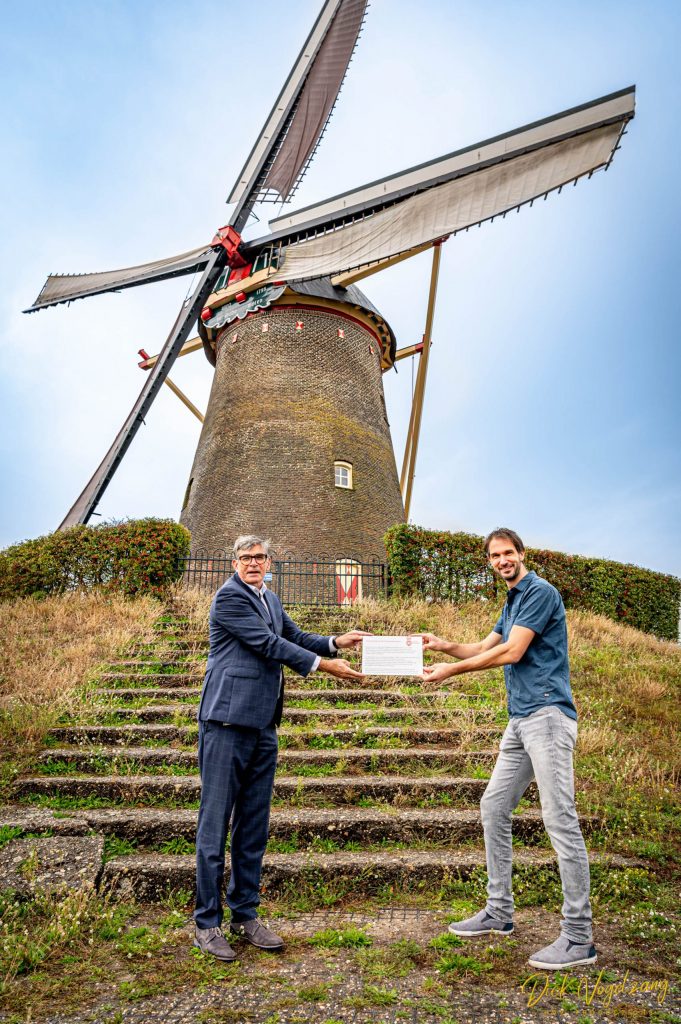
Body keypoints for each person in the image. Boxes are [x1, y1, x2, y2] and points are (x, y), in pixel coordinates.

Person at [421, 527, 595, 971]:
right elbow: (484, 646)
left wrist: (452, 670)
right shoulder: (512, 600)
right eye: (495, 555)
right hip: (520, 722)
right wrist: (444, 645)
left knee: (560, 819)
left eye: (508, 552)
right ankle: (499, 912)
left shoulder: (539, 591)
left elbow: (513, 653)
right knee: (494, 806)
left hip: (548, 717)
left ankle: (579, 937)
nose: (502, 560)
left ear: (521, 554)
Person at [194, 534, 367, 961]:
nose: (253, 563)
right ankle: (206, 922)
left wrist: (335, 642)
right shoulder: (228, 599)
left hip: (263, 724)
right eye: (246, 558)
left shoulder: (270, 599)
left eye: (260, 557)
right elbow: (270, 645)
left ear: (270, 561)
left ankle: (245, 914)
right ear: (234, 562)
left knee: (253, 824)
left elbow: (292, 634)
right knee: (215, 826)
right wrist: (324, 666)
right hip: (227, 721)